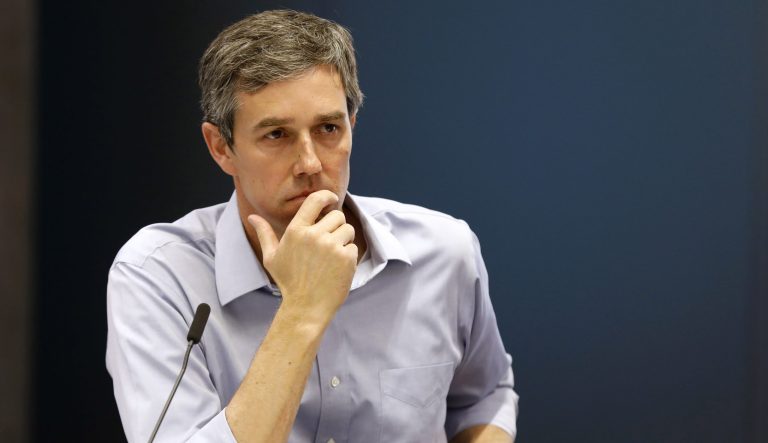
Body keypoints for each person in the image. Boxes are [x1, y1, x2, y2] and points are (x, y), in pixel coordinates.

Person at [106, 9, 518, 443]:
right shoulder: (158, 275)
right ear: (221, 147)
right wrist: (302, 310)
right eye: (277, 135)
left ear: (351, 127)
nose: (310, 163)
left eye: (327, 128)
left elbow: (484, 396)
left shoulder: (443, 249)